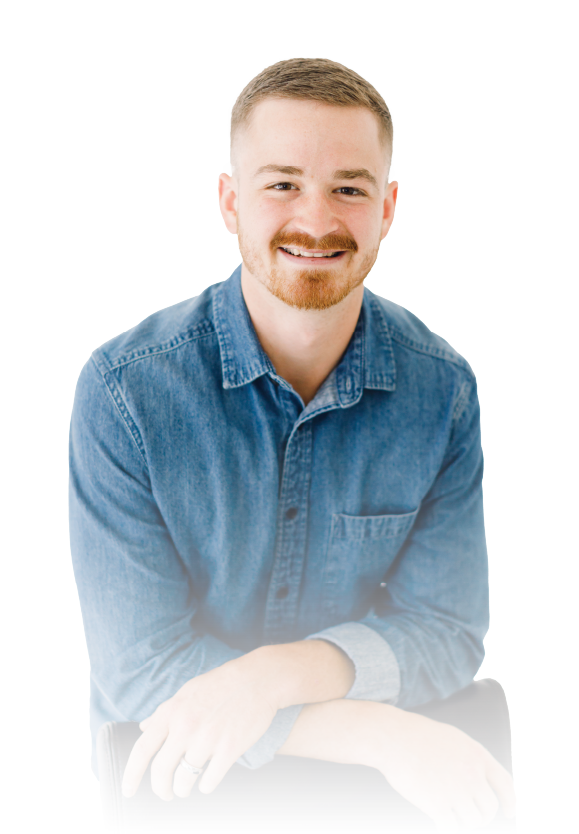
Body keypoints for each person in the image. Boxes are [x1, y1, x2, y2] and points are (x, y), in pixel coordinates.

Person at [69, 56, 515, 830]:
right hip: (181, 794)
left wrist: (274, 677)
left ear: (388, 207)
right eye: (281, 184)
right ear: (229, 201)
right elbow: (141, 670)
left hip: (382, 806)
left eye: (349, 187)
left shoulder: (442, 390)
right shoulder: (124, 390)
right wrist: (377, 734)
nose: (316, 219)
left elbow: (446, 631)